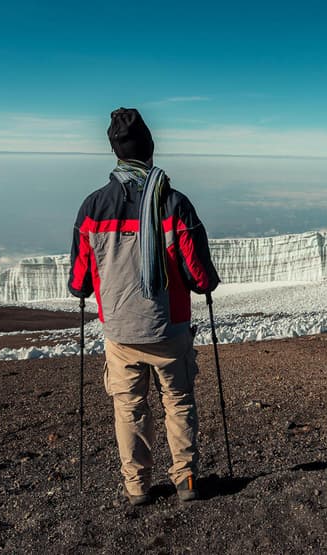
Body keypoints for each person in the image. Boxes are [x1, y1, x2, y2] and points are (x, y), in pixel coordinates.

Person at [68, 107, 220, 505]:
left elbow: (79, 282)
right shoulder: (174, 203)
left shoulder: (92, 208)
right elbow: (199, 275)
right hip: (169, 329)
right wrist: (205, 283)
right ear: (150, 150)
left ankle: (137, 487)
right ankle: (185, 480)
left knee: (129, 408)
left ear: (115, 152)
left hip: (120, 332)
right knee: (179, 401)